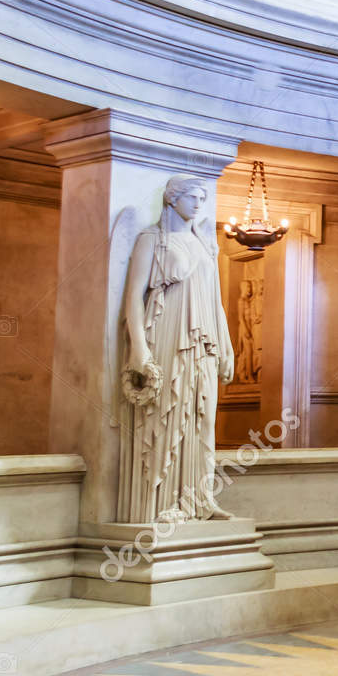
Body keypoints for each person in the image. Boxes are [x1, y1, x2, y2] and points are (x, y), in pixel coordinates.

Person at [119, 175, 236, 525]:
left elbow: (216, 300)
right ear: (172, 200)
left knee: (205, 418)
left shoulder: (203, 242)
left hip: (204, 339)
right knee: (170, 413)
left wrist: (227, 345)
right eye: (192, 197)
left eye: (203, 197)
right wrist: (138, 348)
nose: (199, 204)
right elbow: (133, 299)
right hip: (169, 334)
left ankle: (200, 500)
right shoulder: (152, 240)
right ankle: (163, 504)